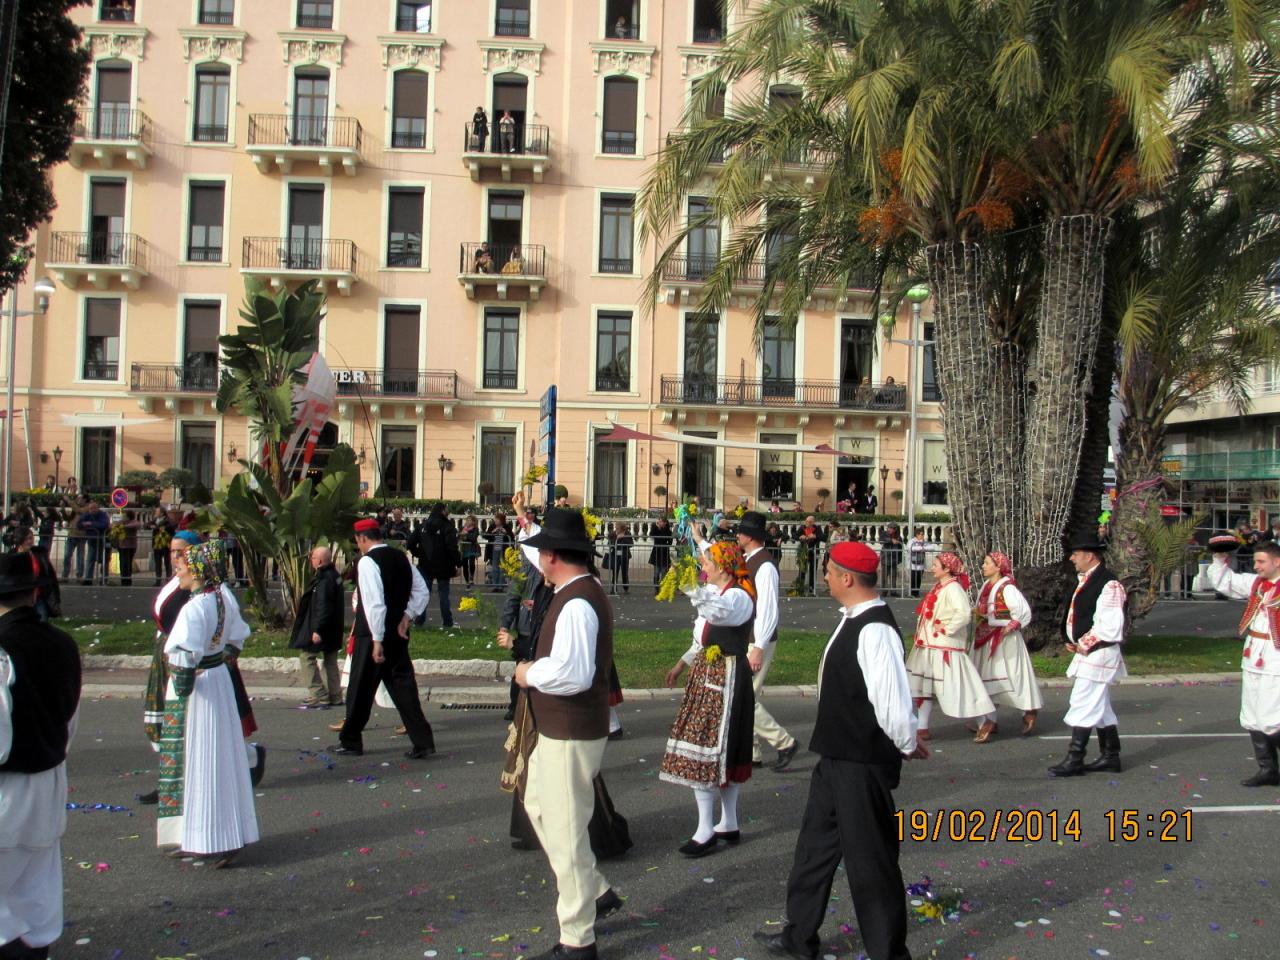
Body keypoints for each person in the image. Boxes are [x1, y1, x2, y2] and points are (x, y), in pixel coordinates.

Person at [753, 541, 926, 960]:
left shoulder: (876, 629)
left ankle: (888, 952)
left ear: (848, 578)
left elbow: (891, 699)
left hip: (861, 763)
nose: (825, 576)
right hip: (836, 756)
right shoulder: (853, 618)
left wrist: (906, 741)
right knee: (814, 850)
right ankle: (799, 936)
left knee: (871, 864)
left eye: (830, 571)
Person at [511, 508, 621, 960]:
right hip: (562, 728)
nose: (538, 561)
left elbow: (574, 674)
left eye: (541, 553)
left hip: (571, 729)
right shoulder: (575, 590)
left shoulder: (576, 601)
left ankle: (578, 940)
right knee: (538, 805)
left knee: (567, 830)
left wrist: (528, 673)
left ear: (553, 556)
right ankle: (595, 890)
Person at [155, 540, 259, 867]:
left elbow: (183, 655)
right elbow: (237, 638)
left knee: (198, 758)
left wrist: (182, 687)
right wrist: (220, 662)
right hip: (219, 684)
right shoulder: (223, 599)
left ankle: (209, 836)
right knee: (219, 758)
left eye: (183, 565)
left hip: (200, 689)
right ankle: (210, 834)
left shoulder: (194, 607)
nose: (179, 570)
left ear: (198, 570)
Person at [0, 552, 81, 960]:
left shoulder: (3, 650)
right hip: (47, 781)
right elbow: (70, 719)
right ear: (34, 595)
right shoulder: (64, 644)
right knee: (35, 888)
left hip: (7, 788)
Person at [660, 540, 757, 857]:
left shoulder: (738, 596)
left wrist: (688, 585)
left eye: (707, 562)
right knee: (713, 746)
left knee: (711, 747)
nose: (703, 567)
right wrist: (680, 664)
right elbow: (701, 636)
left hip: (727, 676)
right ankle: (726, 824)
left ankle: (709, 828)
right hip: (708, 672)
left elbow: (718, 615)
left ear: (723, 566)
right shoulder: (718, 593)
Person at [332, 519, 435, 759]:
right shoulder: (401, 558)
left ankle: (351, 740)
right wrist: (408, 615)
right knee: (403, 687)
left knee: (360, 688)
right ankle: (423, 740)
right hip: (398, 632)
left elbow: (374, 602)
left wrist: (377, 639)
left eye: (357, 541)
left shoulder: (367, 562)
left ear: (362, 539)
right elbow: (422, 591)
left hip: (372, 634)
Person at [704, 512, 798, 771]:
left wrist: (759, 646)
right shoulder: (749, 560)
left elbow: (768, 609)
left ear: (749, 536)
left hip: (758, 638)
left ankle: (784, 742)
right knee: (746, 694)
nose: (737, 535)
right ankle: (753, 751)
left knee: (742, 696)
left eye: (740, 532)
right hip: (749, 636)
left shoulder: (765, 566)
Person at [1048, 537, 1128, 777]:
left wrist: (1084, 642)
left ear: (1090, 555)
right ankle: (1110, 756)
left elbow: (1111, 626)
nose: (1072, 558)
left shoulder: (1109, 584)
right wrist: (1072, 639)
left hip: (1099, 654)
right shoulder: (1087, 580)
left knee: (1083, 701)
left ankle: (1076, 757)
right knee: (1100, 707)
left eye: (1076, 553)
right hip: (1091, 652)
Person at [1205, 542, 1280, 786]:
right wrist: (1219, 558)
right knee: (1251, 715)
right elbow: (1225, 582)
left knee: (1271, 717)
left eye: (1261, 562)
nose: (1256, 566)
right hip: (1253, 653)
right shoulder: (1256, 584)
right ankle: (1268, 769)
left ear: (1277, 562)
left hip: (1275, 656)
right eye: (1256, 561)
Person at [137, 531, 201, 806]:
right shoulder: (178, 581)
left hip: (181, 660)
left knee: (179, 724)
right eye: (173, 552)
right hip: (165, 653)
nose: (175, 557)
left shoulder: (198, 588)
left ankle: (176, 782)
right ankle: (169, 780)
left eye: (181, 552)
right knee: (162, 720)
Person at [906, 552, 994, 740]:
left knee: (956, 687)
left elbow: (963, 615)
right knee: (924, 687)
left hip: (944, 648)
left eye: (936, 564)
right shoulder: (939, 587)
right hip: (929, 645)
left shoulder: (953, 588)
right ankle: (922, 727)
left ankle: (983, 720)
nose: (932, 567)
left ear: (947, 569)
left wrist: (945, 629)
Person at [970, 551, 1042, 741]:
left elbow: (1021, 612)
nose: (983, 566)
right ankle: (988, 719)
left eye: (987, 563)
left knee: (1010, 676)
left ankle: (1026, 710)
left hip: (1004, 639)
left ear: (998, 567)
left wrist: (1005, 623)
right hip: (985, 637)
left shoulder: (1007, 588)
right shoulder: (987, 585)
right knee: (987, 677)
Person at [290, 545, 345, 708]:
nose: (311, 561)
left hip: (322, 627)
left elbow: (323, 605)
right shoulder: (335, 575)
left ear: (320, 561)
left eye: (313, 558)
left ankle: (318, 693)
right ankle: (335, 695)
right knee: (330, 659)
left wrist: (318, 630)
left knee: (306, 657)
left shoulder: (324, 579)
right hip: (334, 627)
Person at [410, 503, 461, 628]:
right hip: (443, 565)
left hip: (425, 564)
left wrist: (419, 554)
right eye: (446, 509)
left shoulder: (422, 526)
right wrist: (457, 563)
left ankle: (419, 620)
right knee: (443, 594)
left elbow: (410, 543)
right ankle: (447, 621)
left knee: (424, 593)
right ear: (443, 511)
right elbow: (451, 547)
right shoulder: (447, 526)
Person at [15, 527, 60, 624]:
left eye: (31, 538)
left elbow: (50, 574)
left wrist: (55, 596)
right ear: (20, 540)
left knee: (42, 622)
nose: (30, 541)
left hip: (39, 595)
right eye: (27, 539)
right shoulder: (13, 556)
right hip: (21, 598)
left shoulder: (39, 553)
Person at [75, 500, 109, 585]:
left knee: (104, 560)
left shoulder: (103, 515)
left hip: (102, 540)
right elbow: (79, 524)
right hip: (91, 540)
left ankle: (104, 578)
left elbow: (103, 525)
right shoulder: (86, 515)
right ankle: (88, 579)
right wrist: (85, 524)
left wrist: (90, 523)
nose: (92, 510)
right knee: (90, 559)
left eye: (94, 508)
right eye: (90, 508)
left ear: (98, 508)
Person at [797, 517, 824, 596]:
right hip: (804, 552)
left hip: (814, 552)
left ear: (813, 522)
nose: (807, 523)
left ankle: (812, 588)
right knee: (802, 570)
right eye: (806, 521)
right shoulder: (802, 528)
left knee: (813, 570)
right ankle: (800, 588)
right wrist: (800, 537)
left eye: (809, 522)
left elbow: (823, 537)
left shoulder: (817, 528)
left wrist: (815, 536)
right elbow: (794, 535)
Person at [486, 512, 514, 590]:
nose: (495, 521)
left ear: (501, 520)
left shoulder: (506, 527)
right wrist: (492, 532)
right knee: (495, 567)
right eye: (495, 519)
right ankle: (495, 585)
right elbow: (486, 536)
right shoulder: (492, 526)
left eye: (497, 519)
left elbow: (511, 537)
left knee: (502, 568)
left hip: (503, 550)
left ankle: (501, 585)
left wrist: (505, 532)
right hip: (494, 549)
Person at [150, 507, 175, 586]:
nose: (155, 513)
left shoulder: (168, 520)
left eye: (157, 512)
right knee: (158, 562)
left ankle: (168, 579)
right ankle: (158, 580)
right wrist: (151, 526)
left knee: (167, 562)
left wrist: (158, 527)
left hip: (165, 544)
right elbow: (146, 525)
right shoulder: (154, 520)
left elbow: (172, 525)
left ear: (162, 513)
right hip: (157, 544)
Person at [606, 522, 632, 593]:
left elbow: (631, 543)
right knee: (615, 572)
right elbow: (609, 543)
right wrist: (616, 538)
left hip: (625, 555)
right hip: (615, 555)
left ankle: (626, 587)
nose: (616, 529)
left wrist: (623, 537)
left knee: (625, 572)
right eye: (615, 527)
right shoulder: (613, 533)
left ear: (621, 528)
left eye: (617, 527)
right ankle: (614, 588)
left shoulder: (627, 533)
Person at [649, 517, 672, 592]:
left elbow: (670, 542)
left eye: (661, 521)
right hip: (656, 552)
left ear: (665, 523)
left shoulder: (668, 531)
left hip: (664, 553)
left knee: (664, 572)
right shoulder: (656, 529)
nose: (659, 522)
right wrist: (657, 527)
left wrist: (665, 544)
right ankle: (656, 588)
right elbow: (651, 535)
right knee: (657, 571)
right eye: (659, 521)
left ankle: (663, 588)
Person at [879, 524, 903, 592]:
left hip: (894, 559)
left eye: (892, 528)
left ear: (895, 529)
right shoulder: (884, 534)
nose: (890, 529)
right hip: (885, 558)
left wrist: (899, 559)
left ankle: (893, 591)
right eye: (889, 528)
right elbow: (881, 540)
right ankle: (884, 591)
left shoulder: (898, 537)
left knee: (893, 576)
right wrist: (891, 540)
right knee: (884, 576)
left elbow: (901, 548)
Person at [459, 514, 481, 587]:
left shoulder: (475, 529)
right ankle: (467, 581)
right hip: (464, 549)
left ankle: (471, 577)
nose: (468, 521)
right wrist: (461, 534)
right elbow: (459, 536)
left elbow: (473, 538)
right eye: (467, 520)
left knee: (471, 563)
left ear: (473, 522)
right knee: (465, 565)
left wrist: (466, 534)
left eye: (470, 520)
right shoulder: (463, 528)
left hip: (472, 548)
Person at [907, 528, 928, 597]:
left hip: (921, 563)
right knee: (913, 579)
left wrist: (922, 547)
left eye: (923, 534)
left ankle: (917, 592)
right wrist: (921, 548)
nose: (922, 536)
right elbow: (911, 548)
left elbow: (931, 547)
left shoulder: (924, 541)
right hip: (913, 564)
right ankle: (912, 593)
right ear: (917, 535)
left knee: (919, 579)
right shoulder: (912, 541)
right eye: (921, 534)